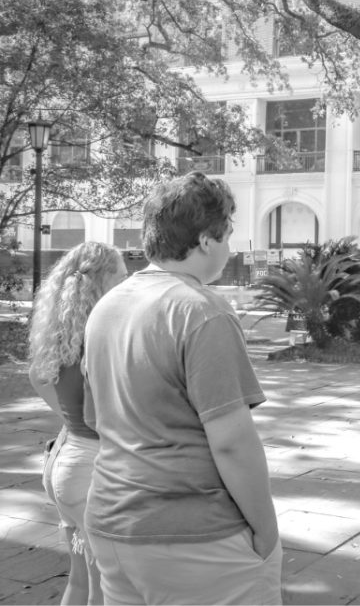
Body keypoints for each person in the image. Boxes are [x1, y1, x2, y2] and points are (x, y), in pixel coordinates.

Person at [82, 172, 282, 605]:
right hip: (194, 536)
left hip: (111, 521)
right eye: (228, 235)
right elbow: (231, 441)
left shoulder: (107, 306)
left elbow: (93, 418)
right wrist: (266, 529)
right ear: (207, 240)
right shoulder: (202, 311)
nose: (229, 249)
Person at [29, 242, 127, 605]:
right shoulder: (101, 338)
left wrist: (69, 418)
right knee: (107, 589)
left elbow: (38, 377)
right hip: (91, 470)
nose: (127, 283)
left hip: (64, 462)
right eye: (120, 276)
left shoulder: (62, 335)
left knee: (82, 581)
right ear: (100, 282)